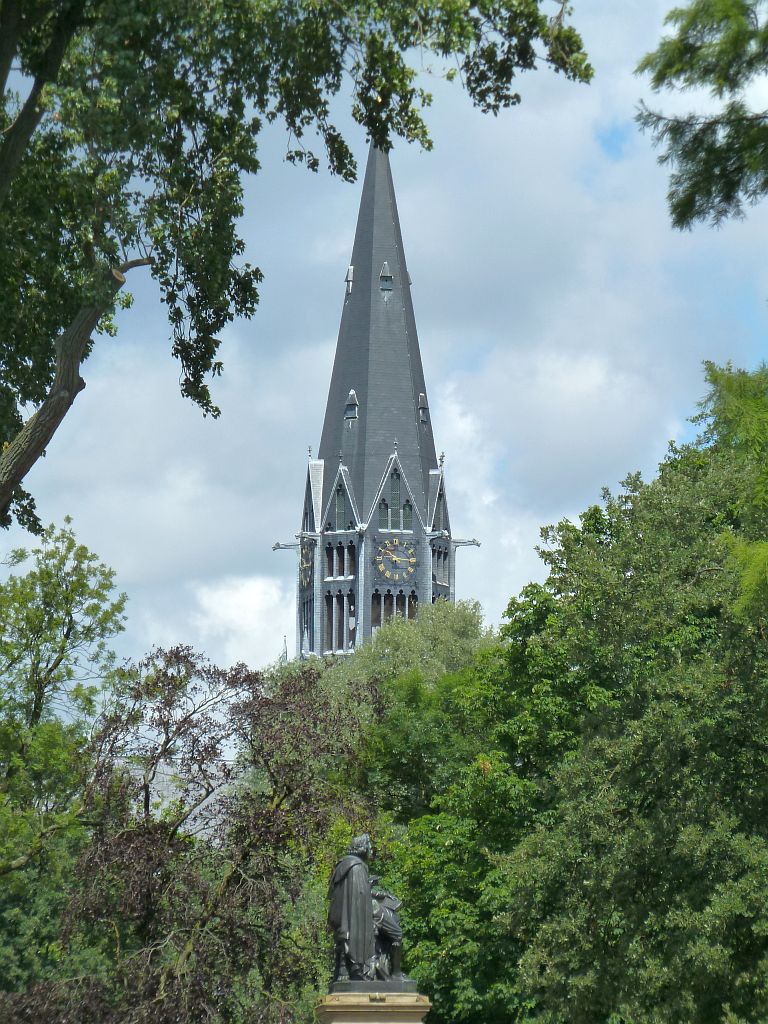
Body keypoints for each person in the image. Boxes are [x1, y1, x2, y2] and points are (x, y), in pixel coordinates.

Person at [328, 834, 375, 982]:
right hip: (353, 919)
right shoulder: (357, 867)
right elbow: (359, 897)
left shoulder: (343, 865)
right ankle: (358, 968)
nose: (371, 849)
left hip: (342, 920)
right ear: (362, 848)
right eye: (369, 846)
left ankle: (344, 968)